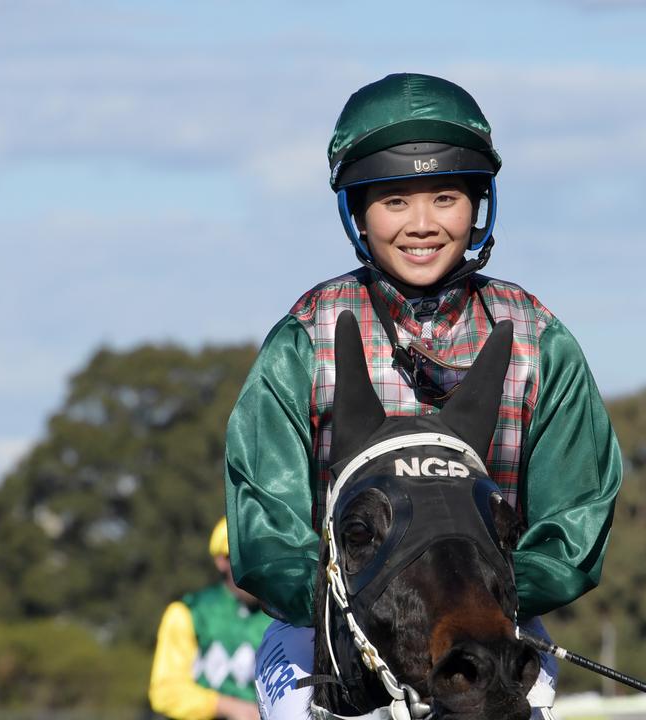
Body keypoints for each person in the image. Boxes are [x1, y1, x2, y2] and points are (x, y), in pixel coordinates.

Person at [224, 73, 623, 718]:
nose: (422, 225)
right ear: (358, 213)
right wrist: (351, 606)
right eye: (394, 202)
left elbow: (574, 518)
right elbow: (267, 529)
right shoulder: (303, 339)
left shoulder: (539, 340)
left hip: (487, 621)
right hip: (329, 629)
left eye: (444, 197)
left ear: (477, 204)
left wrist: (475, 596)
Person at [149, 517, 273, 720]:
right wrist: (226, 706)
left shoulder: (285, 618)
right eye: (246, 557)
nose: (257, 568)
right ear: (222, 561)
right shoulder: (187, 613)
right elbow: (165, 692)